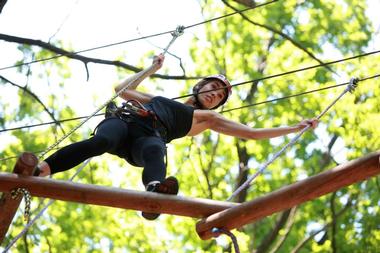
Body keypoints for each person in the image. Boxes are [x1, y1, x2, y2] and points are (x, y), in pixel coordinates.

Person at [35, 54, 318, 220]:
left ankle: (154, 190)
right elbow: (122, 89)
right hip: (124, 124)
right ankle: (44, 169)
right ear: (200, 86)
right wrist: (151, 69)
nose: (213, 94)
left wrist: (294, 128)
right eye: (212, 87)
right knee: (101, 142)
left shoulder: (208, 119)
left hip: (147, 139)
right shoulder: (159, 100)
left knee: (156, 149)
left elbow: (252, 134)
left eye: (218, 95)